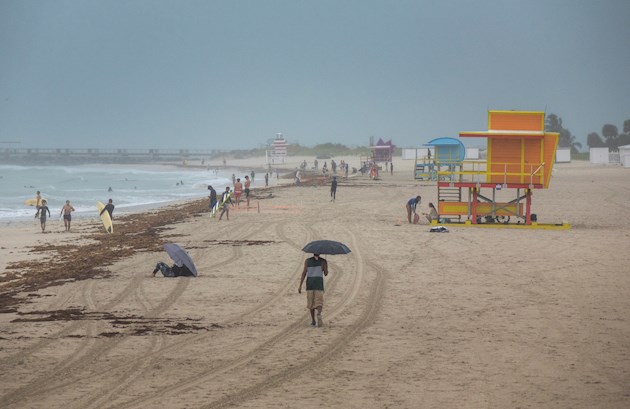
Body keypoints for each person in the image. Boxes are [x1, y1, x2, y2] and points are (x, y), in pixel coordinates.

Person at [298, 253, 329, 327]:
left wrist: (300, 285)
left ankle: (313, 321)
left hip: (310, 284)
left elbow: (304, 273)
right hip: (319, 284)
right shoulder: (323, 261)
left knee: (311, 303)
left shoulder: (307, 261)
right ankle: (318, 314)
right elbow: (326, 273)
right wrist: (325, 265)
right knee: (319, 302)